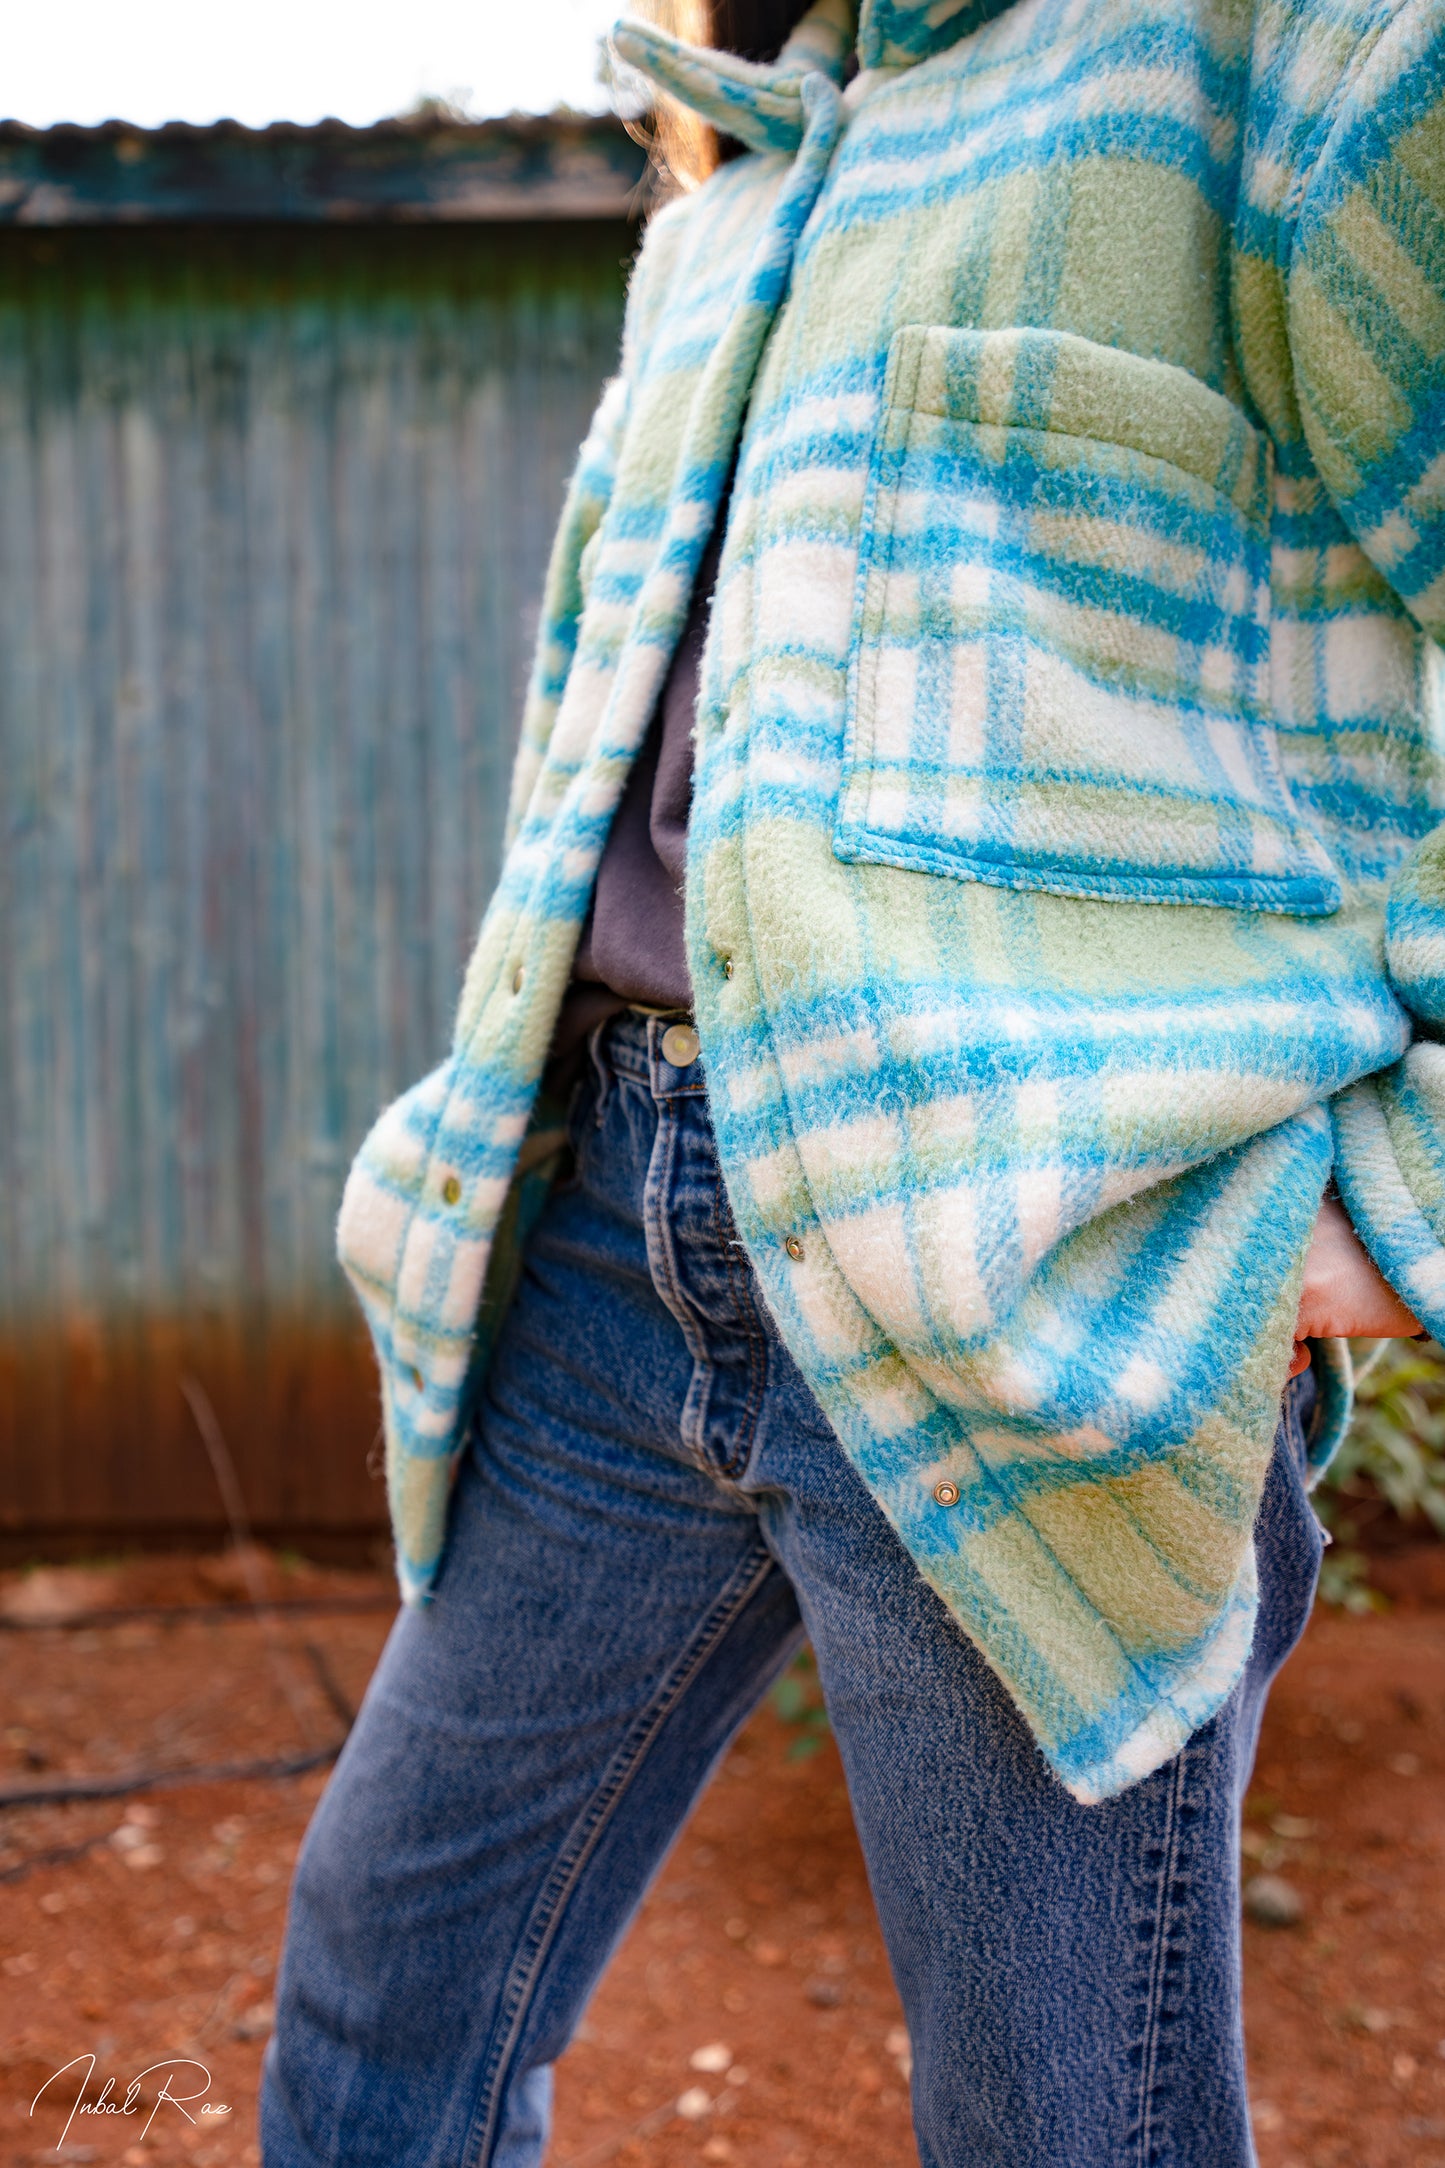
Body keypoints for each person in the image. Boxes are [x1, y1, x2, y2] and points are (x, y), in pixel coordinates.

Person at [261, 0, 1445, 2159]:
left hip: (1019, 1273)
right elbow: (588, 743)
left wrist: (1406, 1199)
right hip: (607, 1252)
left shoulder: (1277, 56)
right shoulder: (722, 195)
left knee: (1057, 2120)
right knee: (381, 1976)